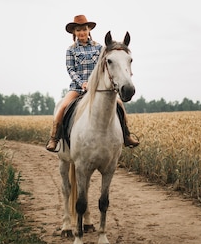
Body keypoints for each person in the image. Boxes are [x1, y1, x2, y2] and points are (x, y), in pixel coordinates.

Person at [46, 15, 140, 152]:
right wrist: (82, 83)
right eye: (78, 30)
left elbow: (106, 66)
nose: (82, 33)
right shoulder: (71, 50)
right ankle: (54, 138)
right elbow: (70, 70)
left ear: (89, 30)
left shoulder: (100, 48)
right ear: (74, 33)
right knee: (63, 106)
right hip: (78, 88)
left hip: (98, 87)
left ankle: (126, 135)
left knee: (119, 105)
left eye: (84, 29)